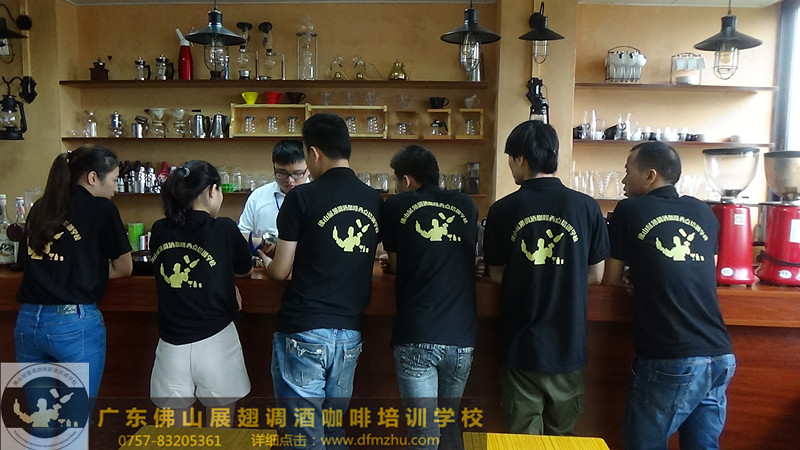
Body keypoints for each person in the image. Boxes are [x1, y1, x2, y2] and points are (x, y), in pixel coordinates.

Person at [259, 113, 383, 449]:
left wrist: (265, 259)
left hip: (305, 328)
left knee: (304, 436)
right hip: (349, 334)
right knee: (332, 430)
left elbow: (280, 271)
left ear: (314, 153)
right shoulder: (373, 199)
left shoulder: (301, 197)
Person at [602, 142, 735, 450]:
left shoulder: (629, 210)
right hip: (720, 354)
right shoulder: (703, 211)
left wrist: (633, 277)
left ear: (650, 175)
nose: (623, 180)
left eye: (628, 171)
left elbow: (610, 279)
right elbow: (706, 273)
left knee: (642, 444)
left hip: (671, 355)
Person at [482, 120, 609, 436]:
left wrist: (529, 275)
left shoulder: (502, 210)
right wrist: (563, 276)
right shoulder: (587, 207)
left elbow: (495, 273)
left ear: (521, 159)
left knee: (522, 440)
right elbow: (597, 275)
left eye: (510, 158)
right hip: (568, 345)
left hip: (520, 345)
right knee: (562, 439)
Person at [14, 144, 133, 402]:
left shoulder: (40, 206)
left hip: (27, 322)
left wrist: (70, 268)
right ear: (93, 177)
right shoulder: (102, 209)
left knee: (40, 419)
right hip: (73, 323)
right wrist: (85, 271)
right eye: (114, 180)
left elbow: (29, 260)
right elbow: (124, 267)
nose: (116, 188)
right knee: (74, 421)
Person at [381, 145, 478, 450]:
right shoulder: (467, 205)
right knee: (448, 425)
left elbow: (397, 264)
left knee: (424, 432)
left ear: (406, 180)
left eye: (396, 180)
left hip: (417, 332)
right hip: (461, 337)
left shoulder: (396, 205)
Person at [149, 160, 253, 417]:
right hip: (217, 342)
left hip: (171, 344)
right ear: (212, 191)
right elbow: (245, 268)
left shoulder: (160, 230)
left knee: (175, 435)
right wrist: (226, 281)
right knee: (219, 432)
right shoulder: (224, 228)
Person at [238, 139, 310, 256]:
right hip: (263, 261)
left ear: (309, 169)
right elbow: (242, 235)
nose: (290, 180)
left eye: (297, 174)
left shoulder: (318, 197)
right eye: (282, 173)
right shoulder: (258, 196)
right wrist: (263, 243)